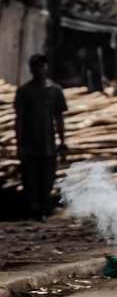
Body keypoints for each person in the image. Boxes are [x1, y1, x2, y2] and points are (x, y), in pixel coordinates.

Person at [14, 54, 68, 222]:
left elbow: (59, 118)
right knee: (30, 182)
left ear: (47, 68)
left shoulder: (55, 91)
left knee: (47, 181)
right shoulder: (24, 91)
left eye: (42, 66)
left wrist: (63, 142)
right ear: (31, 70)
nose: (40, 70)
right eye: (36, 67)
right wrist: (19, 145)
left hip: (48, 145)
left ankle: (42, 212)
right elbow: (19, 119)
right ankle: (33, 212)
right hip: (30, 145)